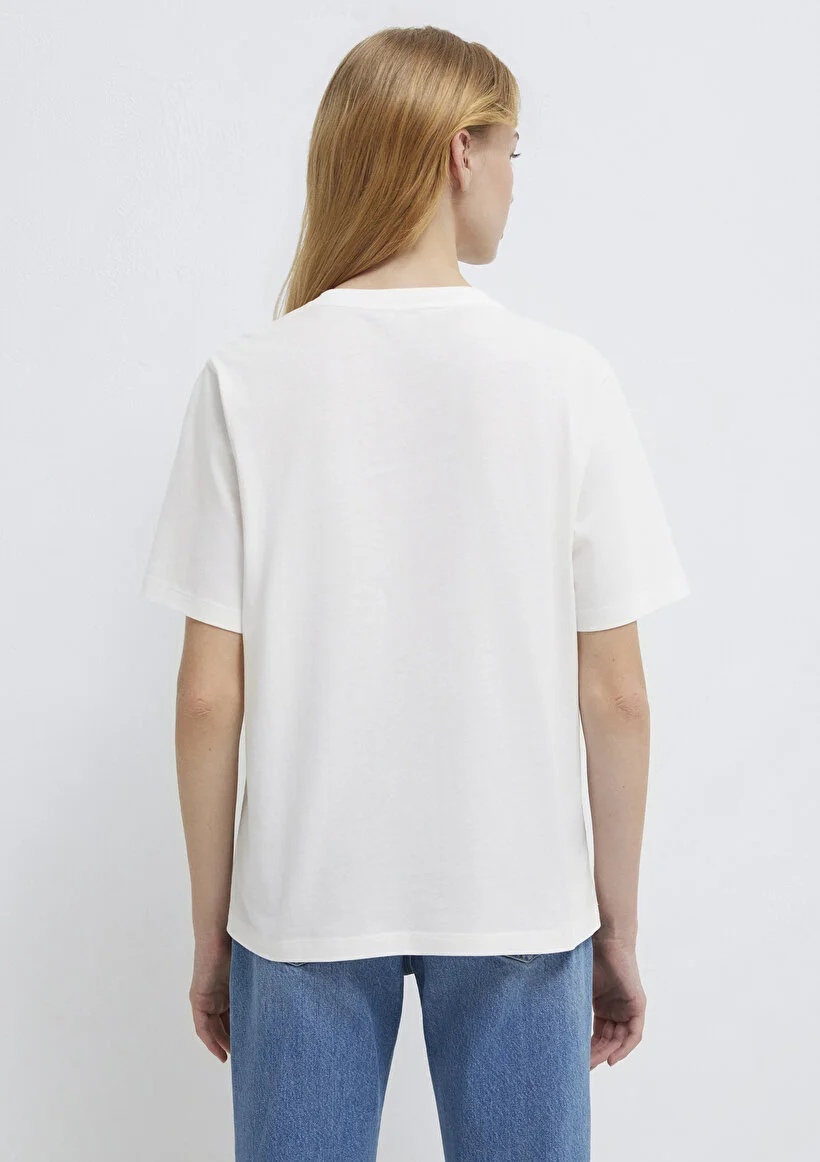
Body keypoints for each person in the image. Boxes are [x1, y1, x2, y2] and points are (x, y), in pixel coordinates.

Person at [139, 24, 690, 1162]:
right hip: (520, 893)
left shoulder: (246, 382)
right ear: (459, 153)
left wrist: (212, 934)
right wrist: (617, 928)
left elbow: (206, 697)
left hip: (303, 896)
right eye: (512, 152)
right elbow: (618, 696)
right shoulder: (568, 381)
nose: (513, 183)